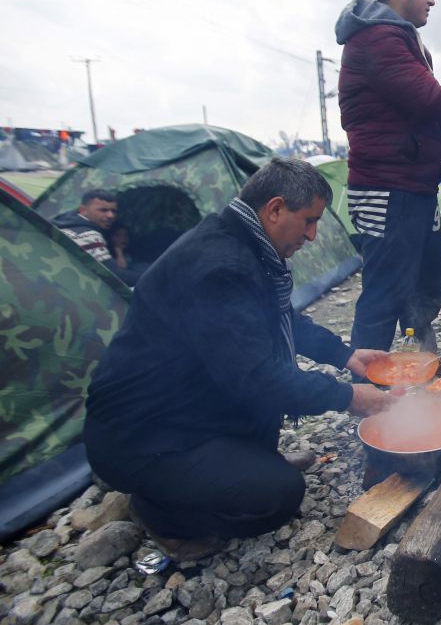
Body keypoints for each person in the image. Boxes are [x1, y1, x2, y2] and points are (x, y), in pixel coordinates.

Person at [84, 160, 397, 560]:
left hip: (184, 405)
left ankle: (237, 460)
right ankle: (159, 512)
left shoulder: (241, 242)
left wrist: (345, 354)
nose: (313, 236)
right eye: (309, 221)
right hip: (140, 434)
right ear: (275, 209)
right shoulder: (220, 265)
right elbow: (257, 379)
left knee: (262, 417)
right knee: (277, 495)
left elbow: (277, 320)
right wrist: (351, 397)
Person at [335, 0, 441, 378]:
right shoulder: (378, 38)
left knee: (425, 281)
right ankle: (367, 385)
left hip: (412, 184)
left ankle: (422, 363)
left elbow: (418, 110)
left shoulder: (397, 37)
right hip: (387, 186)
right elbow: (432, 100)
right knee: (385, 288)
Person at [52, 189, 136, 286]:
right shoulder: (88, 235)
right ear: (83, 210)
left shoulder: (63, 223)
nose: (110, 215)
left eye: (114, 211)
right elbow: (114, 276)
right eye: (103, 210)